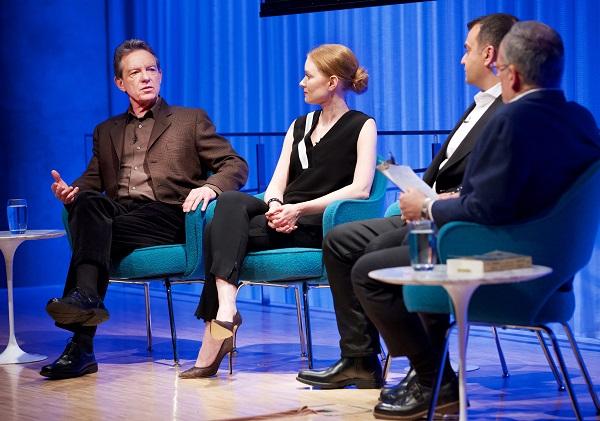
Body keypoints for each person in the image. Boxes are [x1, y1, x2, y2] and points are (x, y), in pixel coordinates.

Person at [354, 21, 600, 420]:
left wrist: (428, 208)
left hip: (505, 264)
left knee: (369, 270)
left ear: (513, 74)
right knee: (392, 249)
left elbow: (483, 210)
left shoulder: (510, 121)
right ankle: (432, 380)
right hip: (557, 273)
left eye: (500, 71)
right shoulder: (582, 119)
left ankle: (435, 381)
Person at [296, 13, 517, 392]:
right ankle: (358, 359)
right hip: (427, 211)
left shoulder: (509, 111)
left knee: (376, 253)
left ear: (490, 54)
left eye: (467, 50)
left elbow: (493, 185)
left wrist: (439, 202)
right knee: (340, 240)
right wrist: (415, 189)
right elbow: (446, 166)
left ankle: (428, 370)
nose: (461, 59)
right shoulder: (478, 105)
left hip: (454, 223)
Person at [41, 39, 249, 380]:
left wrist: (210, 186)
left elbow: (234, 164)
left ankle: (81, 340)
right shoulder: (105, 130)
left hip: (167, 213)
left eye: (151, 69)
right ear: (120, 83)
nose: (145, 77)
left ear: (161, 75)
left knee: (91, 235)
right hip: (120, 212)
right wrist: (71, 192)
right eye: (135, 72)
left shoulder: (189, 120)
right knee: (89, 205)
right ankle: (87, 302)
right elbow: (92, 179)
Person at [179, 44, 378, 379]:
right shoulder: (298, 126)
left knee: (217, 233)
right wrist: (275, 206)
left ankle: (217, 333)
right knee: (227, 201)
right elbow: (276, 184)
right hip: (282, 215)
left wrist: (297, 210)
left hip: (318, 220)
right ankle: (227, 309)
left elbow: (360, 189)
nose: (301, 82)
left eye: (308, 75)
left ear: (331, 82)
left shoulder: (362, 125)